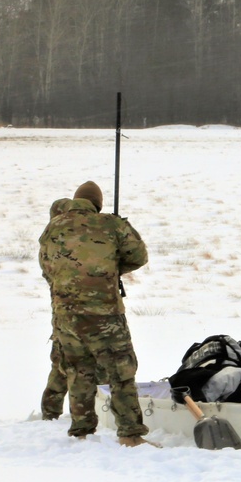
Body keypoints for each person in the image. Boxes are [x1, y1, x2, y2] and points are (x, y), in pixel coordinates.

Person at [38, 181, 154, 446]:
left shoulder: (52, 226)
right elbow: (139, 255)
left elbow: (47, 267)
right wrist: (107, 268)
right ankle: (130, 433)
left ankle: (82, 431)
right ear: (97, 204)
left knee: (78, 371)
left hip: (65, 314)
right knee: (121, 371)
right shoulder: (110, 225)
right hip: (105, 314)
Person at [39, 198, 71, 420]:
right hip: (66, 312)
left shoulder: (49, 241)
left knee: (61, 364)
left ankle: (51, 412)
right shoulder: (56, 243)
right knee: (62, 364)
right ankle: (51, 412)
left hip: (62, 314)